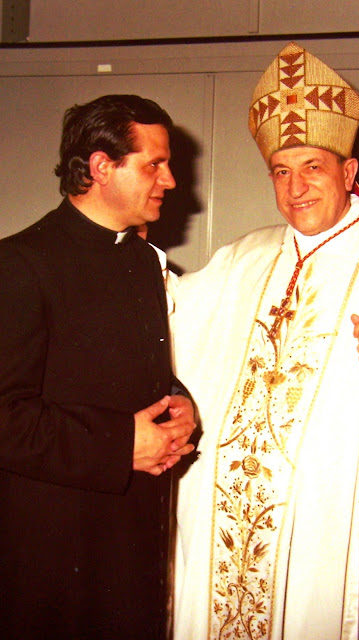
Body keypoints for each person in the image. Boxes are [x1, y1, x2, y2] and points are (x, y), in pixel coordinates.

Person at [171, 43, 359, 639]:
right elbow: (166, 324)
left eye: (312, 168)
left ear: (350, 173)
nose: (295, 187)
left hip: (330, 548)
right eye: (281, 171)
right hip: (223, 534)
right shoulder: (240, 259)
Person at [0, 94, 196, 639]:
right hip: (53, 555)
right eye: (154, 164)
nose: (170, 180)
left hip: (132, 543)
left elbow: (130, 368)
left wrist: (180, 403)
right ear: (102, 166)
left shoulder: (142, 261)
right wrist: (119, 444)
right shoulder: (18, 264)